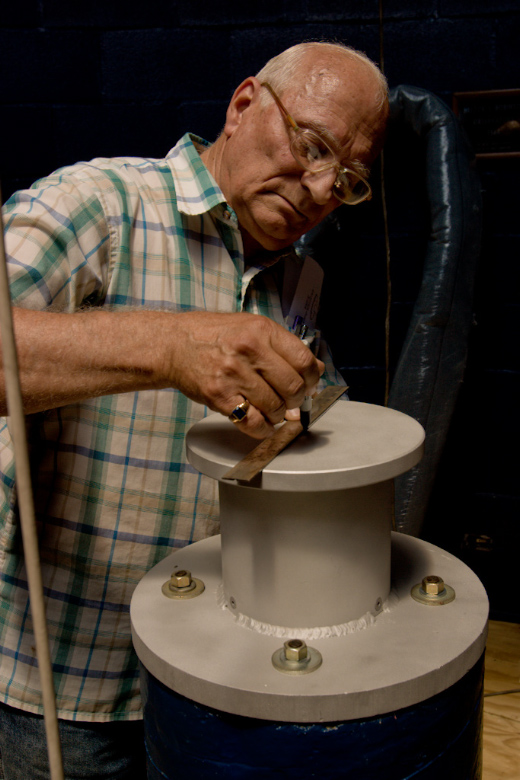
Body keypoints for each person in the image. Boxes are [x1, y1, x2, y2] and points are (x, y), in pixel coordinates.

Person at [0, 41, 388, 778]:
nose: (319, 189)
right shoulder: (100, 203)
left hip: (206, 685)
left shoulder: (296, 279)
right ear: (243, 107)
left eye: (347, 179)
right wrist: (170, 345)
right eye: (312, 146)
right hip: (62, 691)